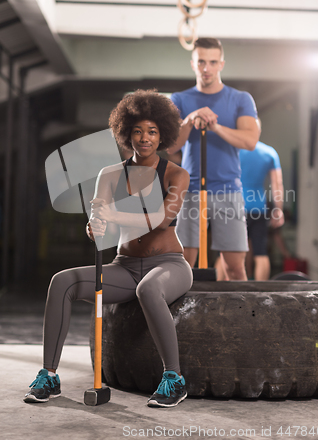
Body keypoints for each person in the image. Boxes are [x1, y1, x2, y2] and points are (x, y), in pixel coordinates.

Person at [24, 90, 193, 408]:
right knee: (62, 282)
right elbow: (99, 219)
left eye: (152, 131)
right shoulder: (111, 174)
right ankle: (49, 375)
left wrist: (111, 214)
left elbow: (161, 218)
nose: (145, 138)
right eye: (138, 131)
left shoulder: (176, 174)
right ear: (127, 133)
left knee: (149, 289)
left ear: (163, 135)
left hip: (169, 265)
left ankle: (174, 379)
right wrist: (95, 226)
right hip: (125, 266)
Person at [168, 37, 259, 280]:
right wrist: (189, 119)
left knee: (234, 268)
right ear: (193, 64)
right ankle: (180, 318)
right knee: (184, 265)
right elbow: (170, 145)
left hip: (229, 190)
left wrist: (215, 126)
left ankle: (241, 318)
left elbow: (250, 141)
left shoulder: (240, 99)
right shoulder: (179, 99)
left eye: (212, 62)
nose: (206, 68)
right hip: (192, 190)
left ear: (221, 64)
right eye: (201, 62)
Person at [239, 121, 285, 280]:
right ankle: (261, 296)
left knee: (229, 253)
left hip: (234, 206)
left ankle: (220, 294)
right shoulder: (269, 153)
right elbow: (277, 184)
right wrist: (278, 209)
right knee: (260, 253)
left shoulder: (233, 151)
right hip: (259, 207)